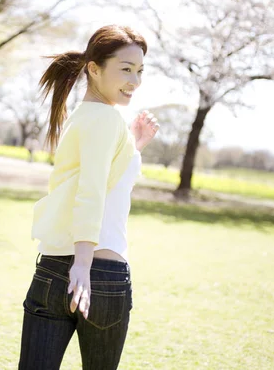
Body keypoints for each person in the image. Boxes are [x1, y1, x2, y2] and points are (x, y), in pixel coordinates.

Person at [18, 24, 160, 370]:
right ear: (94, 69)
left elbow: (105, 184)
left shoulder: (83, 117)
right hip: (98, 274)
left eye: (140, 71)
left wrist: (134, 147)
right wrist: (82, 263)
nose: (135, 81)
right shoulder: (107, 119)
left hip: (52, 269)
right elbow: (91, 191)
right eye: (125, 69)